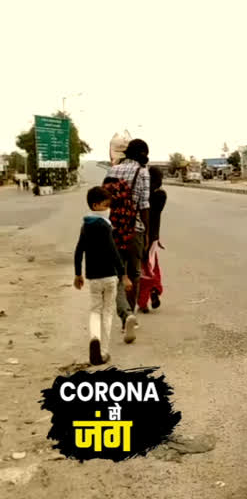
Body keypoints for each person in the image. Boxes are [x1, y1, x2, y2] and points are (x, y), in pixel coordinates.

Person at [74, 186, 132, 365]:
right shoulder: (105, 226)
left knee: (94, 311)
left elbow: (78, 251)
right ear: (95, 205)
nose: (109, 209)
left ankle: (94, 338)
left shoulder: (86, 225)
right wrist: (123, 274)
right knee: (107, 313)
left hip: (93, 278)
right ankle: (103, 351)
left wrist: (78, 274)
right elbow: (113, 251)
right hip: (109, 277)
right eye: (106, 205)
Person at [104, 139, 150, 344]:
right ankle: (132, 313)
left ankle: (125, 317)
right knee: (134, 273)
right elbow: (144, 205)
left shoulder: (112, 170)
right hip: (134, 228)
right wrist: (146, 231)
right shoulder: (143, 172)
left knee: (117, 274)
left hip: (112, 228)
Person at [138, 166, 167, 313]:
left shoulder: (143, 196)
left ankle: (142, 302)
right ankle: (154, 290)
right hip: (153, 237)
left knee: (141, 269)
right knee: (152, 267)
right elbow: (156, 216)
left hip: (140, 235)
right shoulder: (161, 195)